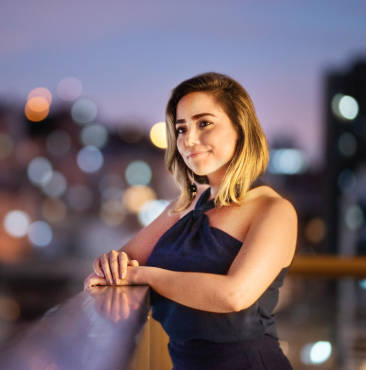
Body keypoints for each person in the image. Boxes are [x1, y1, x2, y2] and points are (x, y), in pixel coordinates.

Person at [84, 72, 296, 369]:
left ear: (240, 128)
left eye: (204, 123)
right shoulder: (187, 204)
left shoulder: (274, 210)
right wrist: (105, 269)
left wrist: (142, 275)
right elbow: (124, 260)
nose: (189, 140)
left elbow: (234, 295)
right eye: (181, 129)